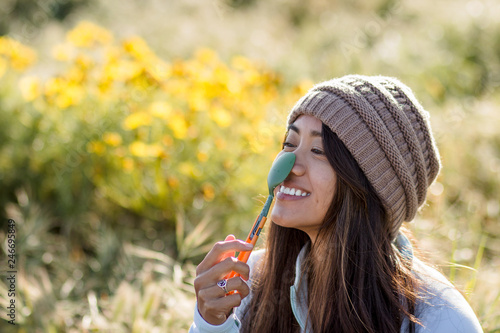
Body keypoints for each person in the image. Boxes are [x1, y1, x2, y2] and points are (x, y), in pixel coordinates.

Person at [190, 75, 483, 333]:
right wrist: (211, 323)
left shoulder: (440, 319)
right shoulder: (248, 281)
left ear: (368, 187)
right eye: (289, 145)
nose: (290, 165)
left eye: (318, 150)